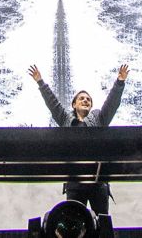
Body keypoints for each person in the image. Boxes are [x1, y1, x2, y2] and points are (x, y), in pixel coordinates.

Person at [27, 62, 129, 215]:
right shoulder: (66, 120)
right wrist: (40, 82)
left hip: (98, 182)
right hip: (75, 184)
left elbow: (111, 103)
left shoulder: (99, 119)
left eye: (88, 99)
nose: (86, 100)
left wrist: (119, 82)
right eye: (81, 98)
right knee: (74, 220)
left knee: (102, 223)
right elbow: (53, 103)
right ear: (74, 104)